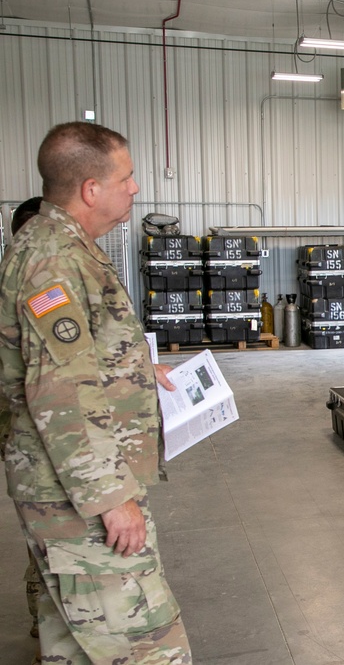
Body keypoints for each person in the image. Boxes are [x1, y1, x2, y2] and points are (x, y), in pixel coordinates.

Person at [0, 122, 192, 664]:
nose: (134, 188)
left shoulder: (62, 247)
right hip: (76, 496)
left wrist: (131, 370)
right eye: (126, 177)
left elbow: (72, 359)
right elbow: (58, 392)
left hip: (63, 487)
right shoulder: (54, 261)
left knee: (74, 643)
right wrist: (112, 499)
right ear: (91, 189)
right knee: (147, 646)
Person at [0, 195, 45, 644]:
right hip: (31, 438)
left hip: (26, 435)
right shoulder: (29, 283)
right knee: (45, 545)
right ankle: (44, 627)